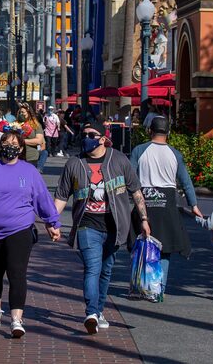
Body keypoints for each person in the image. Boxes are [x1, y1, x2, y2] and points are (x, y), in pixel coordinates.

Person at [54, 121, 150, 335]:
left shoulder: (119, 160)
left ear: (103, 137)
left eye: (91, 133)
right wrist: (53, 222)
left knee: (106, 271)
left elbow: (136, 192)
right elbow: (61, 196)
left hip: (115, 226)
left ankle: (99, 310)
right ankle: (91, 313)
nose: (86, 137)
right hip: (87, 225)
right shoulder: (74, 164)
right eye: (84, 133)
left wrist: (144, 219)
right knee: (92, 267)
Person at [0, 131, 62, 337]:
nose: (9, 146)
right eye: (5, 142)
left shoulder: (29, 171)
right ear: (0, 145)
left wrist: (52, 222)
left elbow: (42, 198)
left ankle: (16, 319)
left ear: (21, 149)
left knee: (16, 272)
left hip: (20, 228)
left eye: (14, 143)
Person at [129, 115, 202, 297]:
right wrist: (193, 204)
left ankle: (138, 286)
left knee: (141, 244)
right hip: (167, 203)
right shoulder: (175, 154)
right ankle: (158, 290)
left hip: (145, 201)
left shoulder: (139, 150)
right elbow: (186, 182)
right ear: (168, 133)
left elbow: (130, 177)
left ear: (149, 131)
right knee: (165, 248)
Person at [16, 103, 45, 167]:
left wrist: (22, 141)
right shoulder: (16, 124)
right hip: (17, 157)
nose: (21, 114)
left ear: (28, 112)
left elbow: (39, 141)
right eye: (20, 112)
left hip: (31, 157)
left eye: (23, 112)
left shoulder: (35, 125)